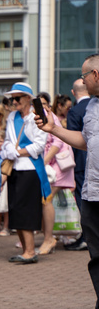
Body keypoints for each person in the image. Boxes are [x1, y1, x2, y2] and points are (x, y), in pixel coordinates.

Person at [36, 55, 99, 309]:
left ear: (95, 74)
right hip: (92, 192)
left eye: (84, 76)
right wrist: (54, 129)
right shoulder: (92, 107)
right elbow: (85, 142)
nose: (82, 82)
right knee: (97, 257)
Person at [0, 82, 50, 264]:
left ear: (29, 98)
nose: (14, 102)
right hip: (14, 168)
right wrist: (7, 149)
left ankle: (30, 251)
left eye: (17, 98)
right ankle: (25, 250)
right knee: (15, 210)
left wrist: (18, 152)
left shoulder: (38, 116)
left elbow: (39, 145)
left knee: (25, 211)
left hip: (30, 169)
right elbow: (7, 139)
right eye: (12, 98)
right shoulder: (12, 117)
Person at [39, 103, 75, 255]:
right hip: (49, 166)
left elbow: (58, 142)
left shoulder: (50, 117)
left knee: (46, 199)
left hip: (57, 166)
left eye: (43, 104)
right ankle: (47, 237)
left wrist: (45, 161)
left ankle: (49, 239)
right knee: (44, 200)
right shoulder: (36, 119)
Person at [66, 78, 90, 251]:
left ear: (73, 93)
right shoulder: (94, 106)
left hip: (82, 163)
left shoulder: (75, 111)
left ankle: (86, 237)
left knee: (83, 201)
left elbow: (73, 142)